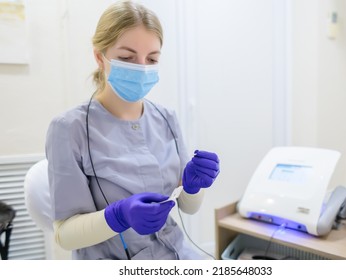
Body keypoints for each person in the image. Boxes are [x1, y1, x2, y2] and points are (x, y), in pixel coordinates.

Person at [45, 0, 220, 260]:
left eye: (152, 58)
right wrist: (118, 216)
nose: (141, 68)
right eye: (127, 58)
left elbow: (188, 207)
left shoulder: (166, 118)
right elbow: (65, 234)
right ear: (99, 57)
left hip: (175, 252)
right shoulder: (69, 129)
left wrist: (193, 188)